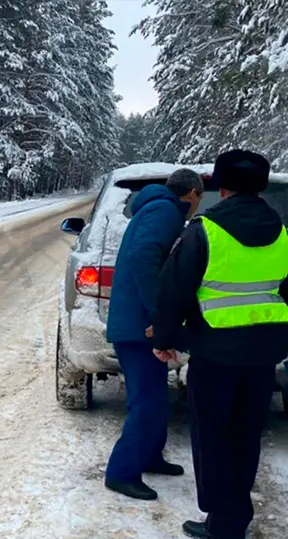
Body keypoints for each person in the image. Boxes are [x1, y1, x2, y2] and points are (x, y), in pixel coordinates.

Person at [150, 150, 288, 539]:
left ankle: (224, 522)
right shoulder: (284, 236)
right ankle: (236, 513)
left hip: (215, 355)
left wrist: (165, 340)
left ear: (223, 187)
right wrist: (274, 336)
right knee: (246, 434)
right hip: (261, 358)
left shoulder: (204, 231)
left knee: (213, 436)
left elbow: (174, 292)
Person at [103, 168, 204, 501]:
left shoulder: (157, 209)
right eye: (198, 199)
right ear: (191, 193)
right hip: (138, 325)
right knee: (146, 402)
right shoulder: (164, 211)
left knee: (156, 397)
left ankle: (150, 456)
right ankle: (121, 472)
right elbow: (144, 257)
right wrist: (159, 316)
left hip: (138, 321)